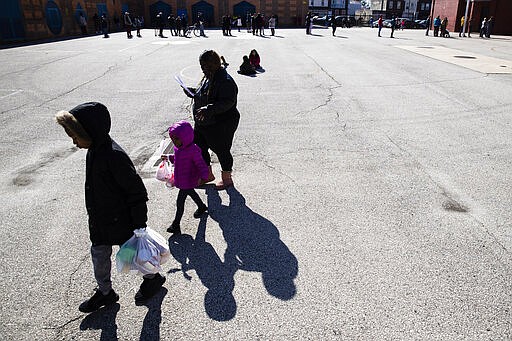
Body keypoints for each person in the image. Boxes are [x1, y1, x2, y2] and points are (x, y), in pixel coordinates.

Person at [55, 102, 166, 312]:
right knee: (99, 254)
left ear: (89, 131)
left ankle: (153, 278)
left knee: (135, 254)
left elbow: (136, 192)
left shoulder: (113, 155)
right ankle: (105, 292)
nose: (74, 141)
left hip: (122, 221)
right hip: (100, 219)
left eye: (75, 136)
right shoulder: (94, 150)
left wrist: (140, 225)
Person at [183, 50, 240, 190]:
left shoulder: (225, 80)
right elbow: (203, 92)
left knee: (222, 150)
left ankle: (227, 179)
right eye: (201, 66)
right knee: (200, 147)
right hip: (203, 121)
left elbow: (228, 102)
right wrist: (192, 92)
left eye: (205, 66)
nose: (203, 69)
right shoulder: (209, 76)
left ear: (215, 64)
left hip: (220, 122)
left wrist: (209, 109)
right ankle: (207, 175)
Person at [164, 120, 209, 235]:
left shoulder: (193, 150)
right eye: (172, 139)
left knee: (180, 203)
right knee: (192, 193)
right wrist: (168, 157)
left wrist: (204, 176)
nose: (174, 141)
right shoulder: (178, 149)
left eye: (176, 139)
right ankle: (201, 206)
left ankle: (176, 224)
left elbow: (201, 164)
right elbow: (177, 159)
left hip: (188, 179)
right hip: (182, 179)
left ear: (185, 137)